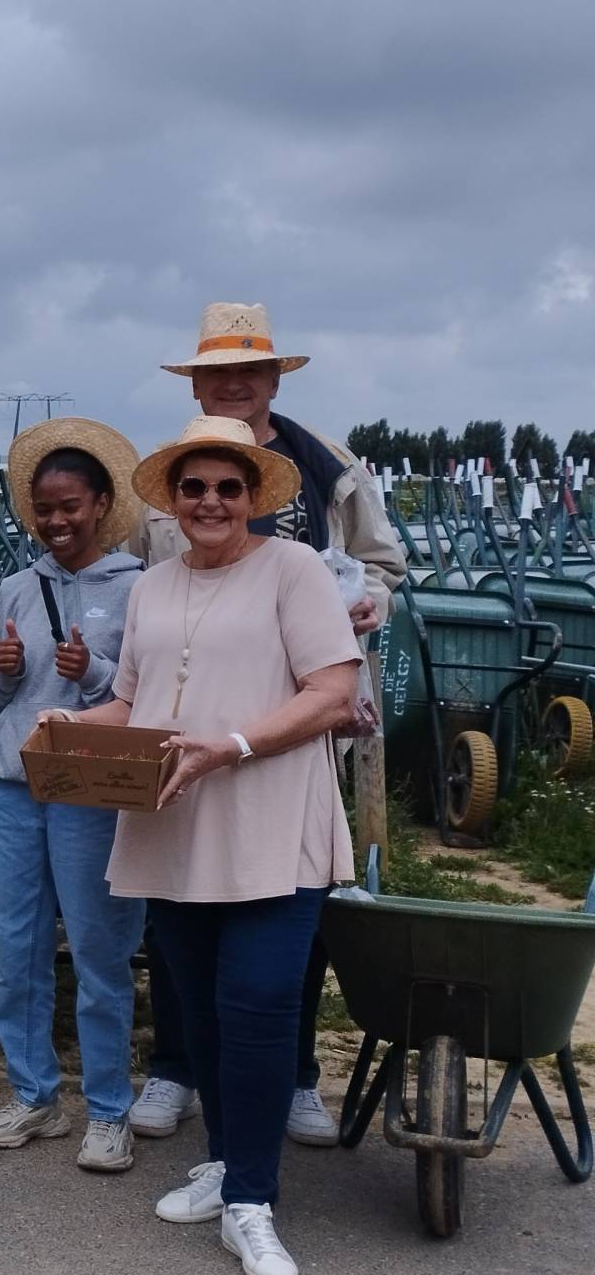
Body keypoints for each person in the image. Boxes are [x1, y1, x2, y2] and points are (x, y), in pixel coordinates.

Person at [47, 415, 360, 1275]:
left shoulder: (293, 570)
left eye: (229, 487)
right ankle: (227, 1164)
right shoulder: (154, 586)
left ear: (254, 496)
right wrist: (74, 724)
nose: (212, 502)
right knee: (203, 1013)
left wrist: (233, 745)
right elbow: (133, 703)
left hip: (270, 822)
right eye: (195, 488)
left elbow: (334, 692)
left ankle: (253, 1202)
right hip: (174, 828)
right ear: (173, 501)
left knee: (259, 1003)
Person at [129, 303, 407, 1149]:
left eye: (250, 369)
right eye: (218, 372)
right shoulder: (173, 475)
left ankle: (292, 1077)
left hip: (296, 713)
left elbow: (385, 564)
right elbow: (145, 588)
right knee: (180, 895)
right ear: (197, 384)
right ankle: (179, 1066)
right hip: (187, 724)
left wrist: (366, 603)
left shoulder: (330, 467)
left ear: (275, 379)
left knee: (283, 902)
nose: (235, 383)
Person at [0, 419, 146, 1172]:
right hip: (13, 783)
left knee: (101, 950)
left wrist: (93, 673)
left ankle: (109, 1111)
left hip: (90, 788)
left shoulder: (138, 588)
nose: (56, 520)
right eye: (43, 509)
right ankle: (34, 1095)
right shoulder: (18, 585)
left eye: (70, 505)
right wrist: (7, 670)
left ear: (102, 504)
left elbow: (142, 697)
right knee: (17, 949)